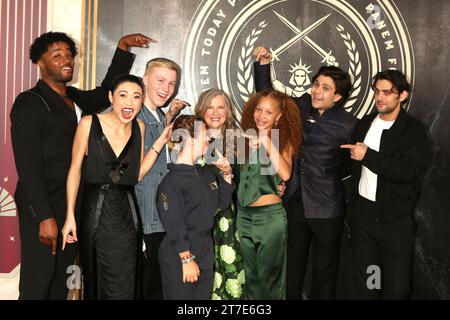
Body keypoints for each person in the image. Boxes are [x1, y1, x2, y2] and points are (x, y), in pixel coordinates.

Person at [10, 31, 151, 300]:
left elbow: (107, 90)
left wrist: (122, 47)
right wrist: (44, 217)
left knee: (61, 283)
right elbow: (27, 166)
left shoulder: (75, 98)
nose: (66, 60)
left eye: (69, 55)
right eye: (57, 55)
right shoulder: (30, 102)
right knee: (37, 281)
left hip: (74, 206)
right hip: (44, 206)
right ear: (40, 63)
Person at [253, 47, 358, 299]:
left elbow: (349, 167)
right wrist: (263, 66)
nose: (317, 91)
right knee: (292, 267)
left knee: (325, 270)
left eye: (325, 88)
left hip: (327, 207)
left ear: (338, 97)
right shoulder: (299, 106)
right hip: (295, 201)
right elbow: (268, 97)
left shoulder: (349, 124)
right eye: (316, 84)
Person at [61, 74, 172, 299]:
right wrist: (69, 216)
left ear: (141, 101)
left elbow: (137, 174)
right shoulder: (89, 123)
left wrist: (159, 142)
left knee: (129, 279)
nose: (129, 102)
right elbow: (74, 170)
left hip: (128, 215)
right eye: (123, 95)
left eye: (136, 97)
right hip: (95, 213)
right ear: (111, 97)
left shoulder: (139, 127)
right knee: (97, 278)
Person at [341, 70, 432, 299]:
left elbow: (406, 171)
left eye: (387, 93)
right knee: (370, 283)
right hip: (364, 217)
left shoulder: (413, 131)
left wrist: (368, 155)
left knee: (396, 287)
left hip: (394, 222)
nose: (379, 97)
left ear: (402, 95)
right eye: (376, 92)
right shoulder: (365, 124)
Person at [156, 115, 235, 300]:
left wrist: (227, 175)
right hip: (180, 255)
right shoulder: (171, 182)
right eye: (205, 134)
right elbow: (174, 223)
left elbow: (221, 204)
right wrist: (186, 259)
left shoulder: (205, 174)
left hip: (205, 249)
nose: (209, 139)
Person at [237, 88, 301, 300]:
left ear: (279, 116)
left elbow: (286, 173)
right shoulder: (243, 137)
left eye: (268, 112)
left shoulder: (283, 140)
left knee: (271, 280)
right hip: (243, 216)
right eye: (258, 109)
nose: (261, 116)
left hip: (269, 218)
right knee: (252, 279)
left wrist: (265, 141)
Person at [135, 57, 188, 299]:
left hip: (162, 217)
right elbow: (134, 172)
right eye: (160, 80)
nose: (166, 89)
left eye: (172, 83)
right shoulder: (134, 117)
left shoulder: (158, 116)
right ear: (144, 79)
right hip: (144, 220)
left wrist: (169, 117)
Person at [194, 88, 247, 300]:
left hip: (228, 221)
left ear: (228, 111)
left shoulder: (239, 142)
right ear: (201, 110)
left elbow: (246, 184)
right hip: (198, 220)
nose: (215, 112)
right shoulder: (191, 139)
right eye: (209, 107)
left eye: (220, 107)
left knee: (229, 276)